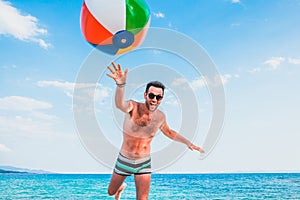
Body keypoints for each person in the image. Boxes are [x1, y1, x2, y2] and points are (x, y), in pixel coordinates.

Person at [106, 62, 205, 200]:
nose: (154, 100)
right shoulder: (133, 107)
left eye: (158, 97)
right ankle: (119, 189)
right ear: (146, 95)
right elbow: (119, 104)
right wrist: (121, 85)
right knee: (110, 192)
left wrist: (188, 143)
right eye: (151, 95)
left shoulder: (160, 117)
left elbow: (169, 132)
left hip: (143, 163)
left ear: (161, 99)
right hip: (124, 160)